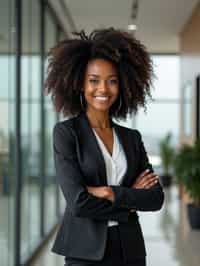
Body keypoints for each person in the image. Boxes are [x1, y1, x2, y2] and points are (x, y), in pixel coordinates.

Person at [45, 28, 164, 266]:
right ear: (80, 84)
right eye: (94, 80)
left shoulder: (131, 138)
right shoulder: (67, 133)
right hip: (85, 253)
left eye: (112, 81)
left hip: (130, 250)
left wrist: (111, 193)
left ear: (122, 86)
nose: (103, 89)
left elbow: (155, 197)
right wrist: (129, 203)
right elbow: (78, 202)